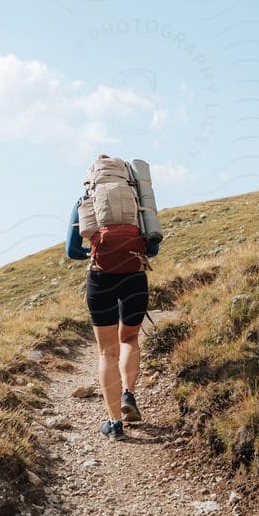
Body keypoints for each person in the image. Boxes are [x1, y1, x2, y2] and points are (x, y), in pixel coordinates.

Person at [65, 160, 158, 439]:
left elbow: (72, 249)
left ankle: (114, 424)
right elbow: (152, 247)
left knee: (107, 352)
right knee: (129, 339)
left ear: (92, 178)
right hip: (134, 275)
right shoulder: (138, 199)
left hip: (100, 279)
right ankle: (129, 394)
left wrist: (95, 255)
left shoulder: (84, 200)